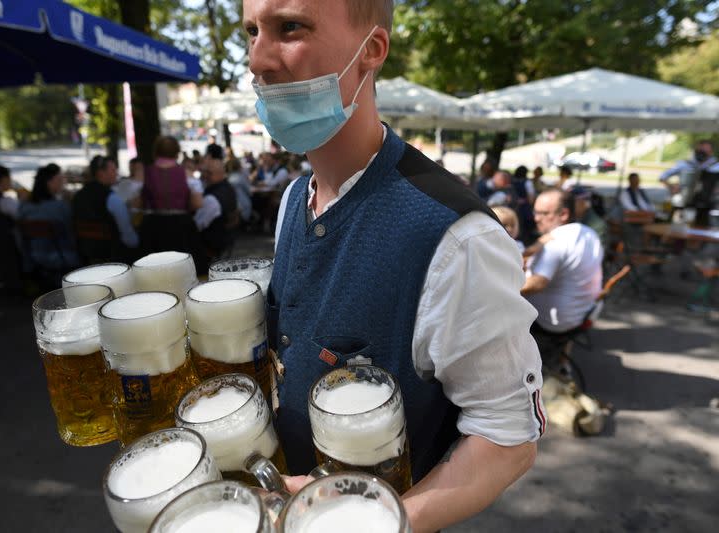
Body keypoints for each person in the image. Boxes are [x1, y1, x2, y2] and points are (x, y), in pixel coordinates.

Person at [245, 1, 542, 530]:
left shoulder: (456, 237)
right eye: (251, 32)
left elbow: (507, 435)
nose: (258, 59)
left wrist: (380, 520)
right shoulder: (294, 198)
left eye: (290, 27)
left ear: (372, 52)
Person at [522, 189, 603, 335]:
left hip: (551, 323)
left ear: (564, 214)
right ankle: (562, 356)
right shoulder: (589, 233)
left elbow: (536, 284)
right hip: (582, 314)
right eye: (535, 212)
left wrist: (499, 288)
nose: (536, 218)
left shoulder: (555, 243)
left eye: (544, 213)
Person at [139, 136, 204, 257]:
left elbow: (138, 203)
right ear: (177, 152)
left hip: (154, 225)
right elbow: (198, 203)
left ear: (156, 151)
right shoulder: (187, 174)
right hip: (180, 226)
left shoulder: (145, 173)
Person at [71, 155, 139, 263]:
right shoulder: (111, 198)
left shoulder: (78, 196)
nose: (116, 173)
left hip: (85, 254)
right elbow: (129, 238)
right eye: (113, 170)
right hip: (113, 256)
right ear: (101, 173)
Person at [17, 164, 79, 271]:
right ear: (49, 183)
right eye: (60, 179)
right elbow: (72, 234)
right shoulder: (60, 206)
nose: (63, 182)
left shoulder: (24, 206)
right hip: (62, 257)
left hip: (33, 257)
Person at [194, 149, 237, 260]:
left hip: (212, 244)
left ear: (220, 173)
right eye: (205, 172)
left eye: (209, 173)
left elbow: (197, 225)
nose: (205, 175)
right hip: (226, 238)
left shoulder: (212, 199)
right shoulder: (228, 188)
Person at [570, 185, 608, 251]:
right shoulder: (570, 217)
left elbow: (595, 253)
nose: (568, 206)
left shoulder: (596, 225)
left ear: (585, 204)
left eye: (573, 203)